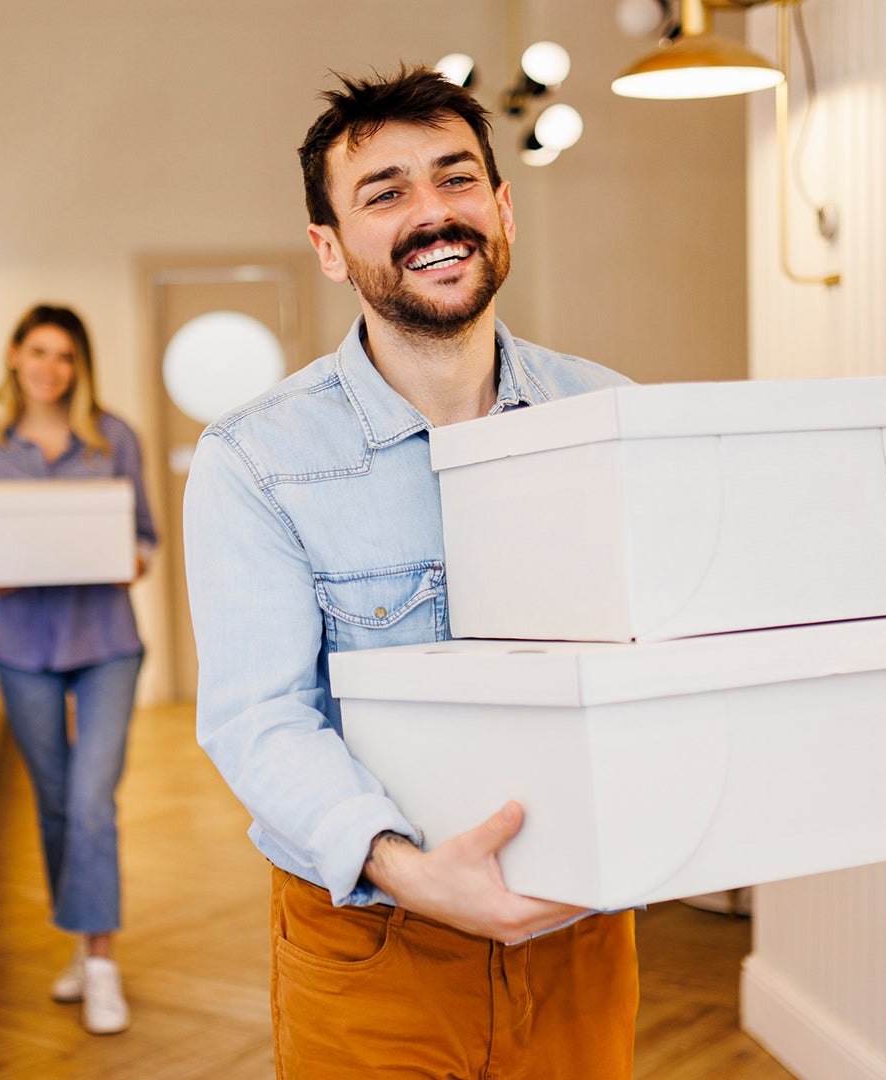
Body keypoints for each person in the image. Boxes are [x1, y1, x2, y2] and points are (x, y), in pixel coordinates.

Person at [183, 67, 639, 1077]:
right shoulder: (256, 460)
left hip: (582, 924)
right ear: (330, 249)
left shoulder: (613, 415)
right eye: (385, 193)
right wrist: (412, 871)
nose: (433, 214)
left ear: (504, 207)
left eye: (457, 179)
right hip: (372, 935)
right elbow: (261, 720)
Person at [0, 303, 157, 1036]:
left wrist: (118, 555)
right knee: (54, 804)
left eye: (66, 356)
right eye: (39, 352)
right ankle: (80, 940)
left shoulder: (115, 439)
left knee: (93, 799)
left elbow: (146, 541)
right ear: (14, 357)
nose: (51, 368)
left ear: (80, 366)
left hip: (106, 641)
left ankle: (101, 965)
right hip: (23, 648)